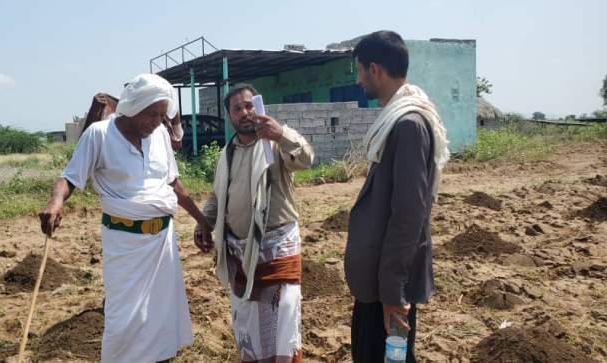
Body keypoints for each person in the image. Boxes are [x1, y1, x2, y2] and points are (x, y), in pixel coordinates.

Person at [39, 74, 210, 363]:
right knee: (123, 318)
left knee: (160, 312)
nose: (157, 121)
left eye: (161, 115)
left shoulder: (159, 137)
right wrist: (55, 203)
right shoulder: (100, 135)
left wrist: (201, 219)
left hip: (162, 242)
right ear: (132, 107)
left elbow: (174, 184)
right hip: (124, 243)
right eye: (151, 113)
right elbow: (69, 178)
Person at [342, 31, 450, 363]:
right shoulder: (397, 121)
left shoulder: (408, 126)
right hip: (375, 286)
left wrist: (393, 292)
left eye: (359, 71)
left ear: (374, 69)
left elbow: (409, 215)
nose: (358, 80)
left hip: (386, 290)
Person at [195, 84, 314, 362]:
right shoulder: (227, 154)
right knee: (249, 328)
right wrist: (204, 223)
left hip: (277, 252)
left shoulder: (273, 145)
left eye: (249, 105)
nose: (245, 112)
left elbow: (306, 159)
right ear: (229, 116)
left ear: (258, 107)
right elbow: (217, 196)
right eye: (237, 108)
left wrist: (282, 133)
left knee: (282, 325)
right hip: (240, 255)